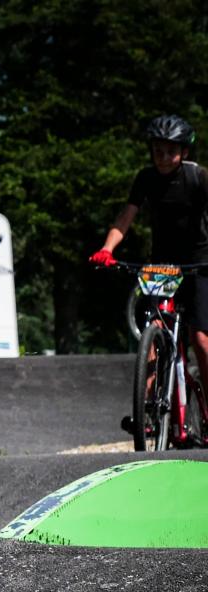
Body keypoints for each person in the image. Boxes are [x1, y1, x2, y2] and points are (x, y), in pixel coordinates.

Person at [90, 114, 208, 397]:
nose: (164, 158)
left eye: (171, 152)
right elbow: (125, 217)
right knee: (152, 331)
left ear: (184, 152)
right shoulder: (146, 178)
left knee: (201, 339)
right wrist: (107, 249)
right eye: (158, 151)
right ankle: (146, 407)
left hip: (200, 261)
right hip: (163, 264)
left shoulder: (198, 177)